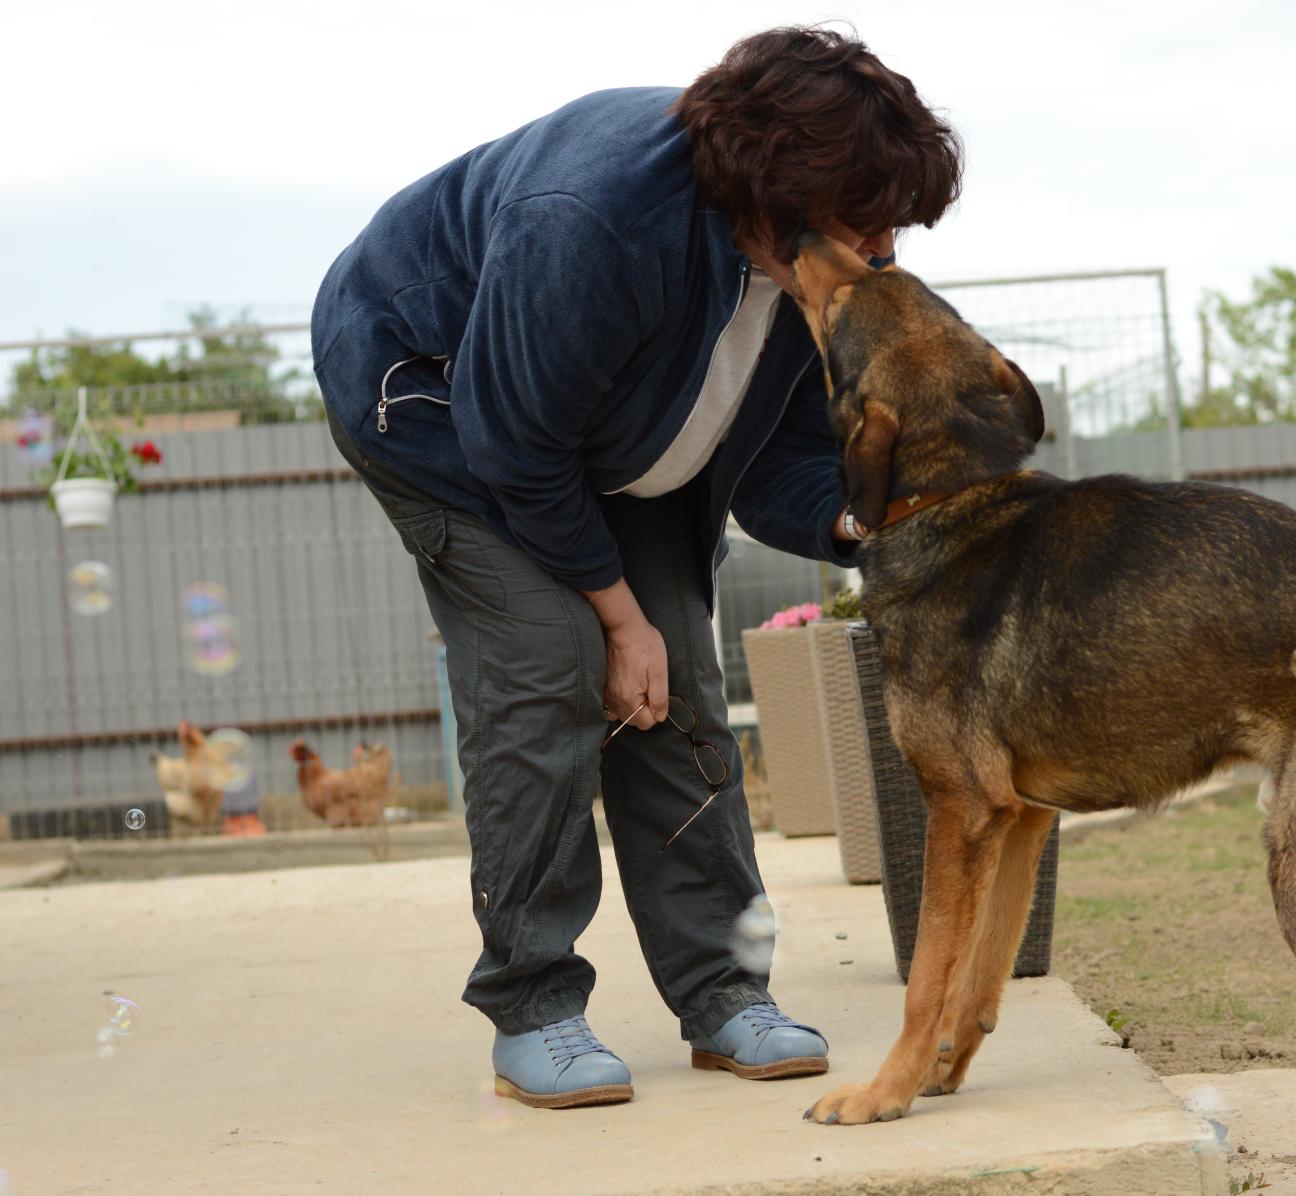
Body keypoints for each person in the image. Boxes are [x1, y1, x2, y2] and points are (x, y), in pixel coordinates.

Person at [310, 26, 962, 1108]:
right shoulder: (591, 217)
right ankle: (534, 1004)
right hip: (437, 403)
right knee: (546, 658)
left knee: (681, 684)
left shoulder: (813, 268)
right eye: (867, 221)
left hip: (600, 432)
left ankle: (724, 990)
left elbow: (779, 464)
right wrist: (618, 619)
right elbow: (519, 449)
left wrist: (872, 522)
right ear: (775, 193)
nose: (886, 251)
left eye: (897, 223)